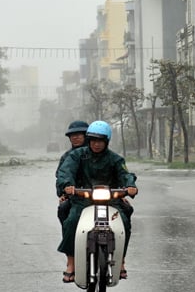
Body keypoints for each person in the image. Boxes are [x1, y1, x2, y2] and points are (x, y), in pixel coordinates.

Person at [56, 120, 138, 283]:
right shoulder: (75, 155)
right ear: (89, 140)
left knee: (124, 221)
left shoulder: (115, 158)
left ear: (106, 141)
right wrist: (68, 186)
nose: (96, 144)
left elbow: (125, 174)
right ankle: (71, 263)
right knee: (71, 221)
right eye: (93, 140)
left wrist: (130, 186)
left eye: (100, 141)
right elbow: (65, 172)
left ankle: (120, 260)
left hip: (110, 201)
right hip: (82, 200)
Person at [56, 121, 89, 225]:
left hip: (103, 195)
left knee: (126, 208)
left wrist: (122, 191)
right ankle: (68, 239)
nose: (75, 138)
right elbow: (61, 176)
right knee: (63, 209)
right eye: (72, 135)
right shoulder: (66, 157)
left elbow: (116, 173)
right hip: (76, 196)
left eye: (78, 135)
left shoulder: (100, 153)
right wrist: (63, 192)